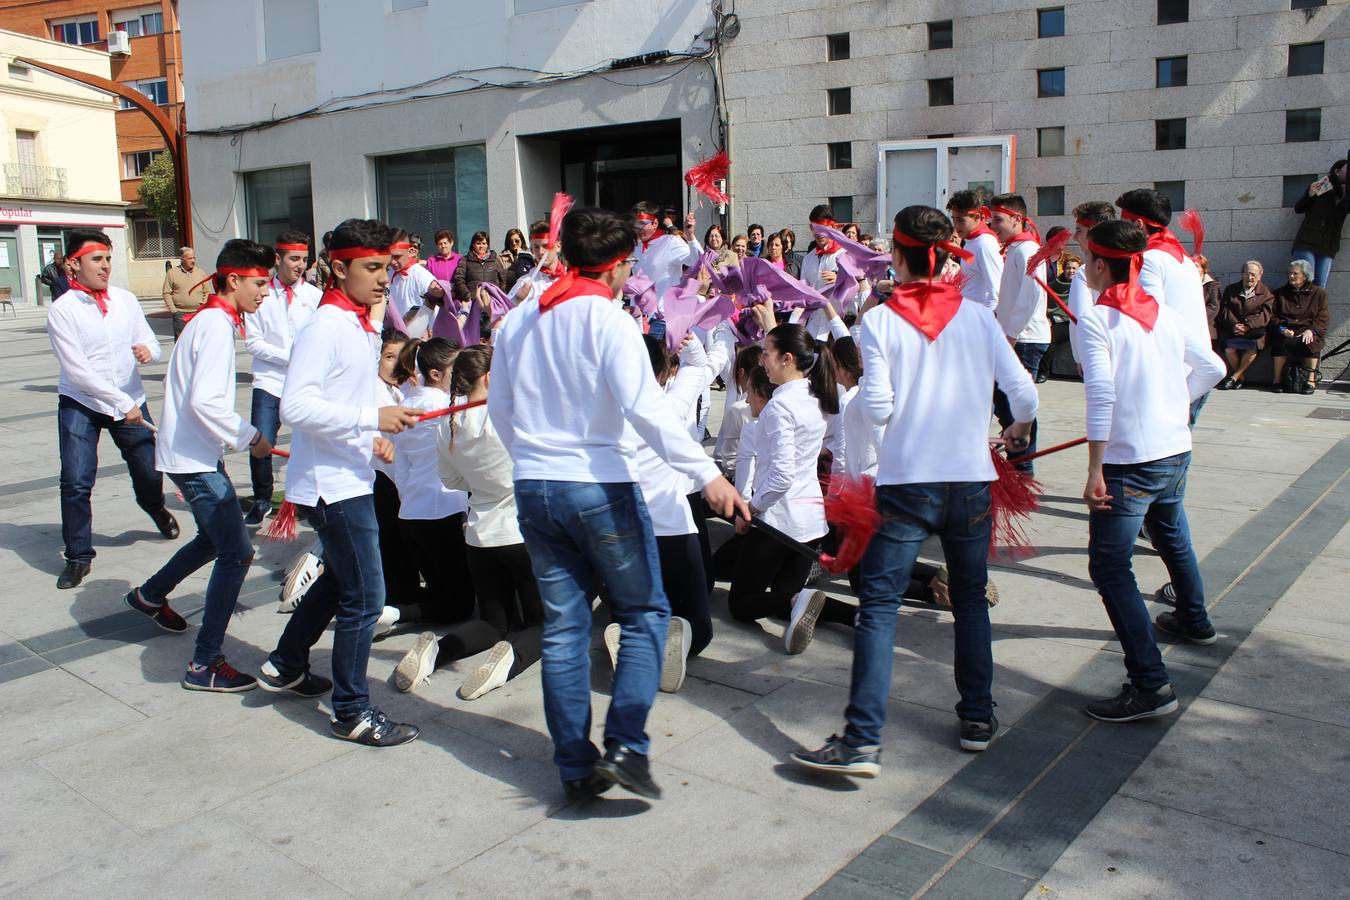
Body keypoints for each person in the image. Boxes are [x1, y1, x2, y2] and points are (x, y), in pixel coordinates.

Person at [488, 205, 748, 802]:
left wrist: (533, 460)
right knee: (644, 615)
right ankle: (626, 743)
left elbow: (500, 410)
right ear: (618, 266)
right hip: (598, 483)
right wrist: (707, 474)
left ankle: (575, 766)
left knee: (564, 628)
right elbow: (646, 407)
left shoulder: (520, 319)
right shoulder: (608, 321)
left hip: (535, 487)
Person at [791, 205, 1036, 779]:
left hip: (908, 484)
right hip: (972, 480)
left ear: (897, 257)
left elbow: (875, 408)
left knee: (878, 604)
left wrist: (909, 411)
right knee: (970, 599)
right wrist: (1013, 430)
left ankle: (863, 740)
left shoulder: (878, 322)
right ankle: (978, 717)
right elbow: (1023, 398)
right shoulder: (978, 316)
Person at [259, 218, 423, 747]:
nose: (383, 280)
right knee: (365, 598)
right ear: (339, 268)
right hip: (333, 487)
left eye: (387, 268)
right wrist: (372, 421)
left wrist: (368, 430)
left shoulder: (357, 323)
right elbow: (297, 406)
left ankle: (286, 662)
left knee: (337, 581)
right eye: (371, 269)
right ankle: (351, 710)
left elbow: (345, 397)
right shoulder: (326, 325)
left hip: (347, 471)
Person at [1077, 219, 1225, 722]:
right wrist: (1173, 404)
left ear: (1100, 264)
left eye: (1085, 258)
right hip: (1174, 452)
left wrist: (1094, 468)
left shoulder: (1098, 319)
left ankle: (1151, 685)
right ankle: (1194, 618)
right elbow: (1213, 369)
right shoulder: (1162, 313)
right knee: (1170, 533)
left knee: (1110, 567)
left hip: (1129, 464)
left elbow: (1101, 394)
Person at [127, 239, 279, 690]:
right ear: (233, 280)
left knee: (215, 542)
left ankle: (150, 595)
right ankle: (204, 664)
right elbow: (206, 401)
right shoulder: (214, 325)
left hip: (191, 453)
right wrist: (251, 437)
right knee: (237, 552)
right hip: (193, 459)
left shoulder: (213, 320)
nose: (264, 293)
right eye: (259, 283)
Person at [396, 346, 545, 698]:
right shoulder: (511, 418)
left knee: (491, 623)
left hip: (480, 537)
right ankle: (510, 656)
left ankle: (437, 650)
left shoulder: (449, 424)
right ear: (491, 377)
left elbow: (451, 481)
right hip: (522, 534)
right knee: (543, 625)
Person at [47, 229, 178, 590]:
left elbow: (151, 341)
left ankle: (155, 507)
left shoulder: (125, 299)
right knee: (76, 479)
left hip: (129, 398)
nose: (106, 266)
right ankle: (78, 556)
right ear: (74, 264)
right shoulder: (63, 310)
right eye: (97, 260)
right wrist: (121, 403)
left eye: (108, 259)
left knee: (149, 472)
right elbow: (77, 371)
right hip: (82, 402)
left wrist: (149, 352)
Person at [728, 317, 855, 654]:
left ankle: (808, 600)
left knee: (741, 604)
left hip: (778, 523)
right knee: (788, 602)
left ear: (787, 359)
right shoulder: (817, 396)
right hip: (810, 521)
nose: (761, 360)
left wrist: (750, 509)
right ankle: (859, 617)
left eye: (767, 354)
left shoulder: (780, 406)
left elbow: (781, 476)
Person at [389, 337, 473, 625]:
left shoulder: (406, 403)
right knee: (460, 606)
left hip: (412, 511)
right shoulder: (446, 405)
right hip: (443, 511)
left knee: (442, 590)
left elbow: (399, 467)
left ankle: (393, 611)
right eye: (456, 369)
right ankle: (394, 613)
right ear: (436, 373)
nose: (462, 376)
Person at [243, 231, 322, 527]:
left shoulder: (315, 297)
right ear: (278, 259)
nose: (300, 265)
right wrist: (292, 356)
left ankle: (307, 498)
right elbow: (253, 342)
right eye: (293, 259)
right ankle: (262, 499)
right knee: (261, 440)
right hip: (269, 380)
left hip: (305, 382)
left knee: (312, 441)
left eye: (304, 259)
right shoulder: (260, 294)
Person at [989, 194, 1049, 472]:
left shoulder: (1026, 250)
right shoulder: (1015, 249)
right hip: (1015, 338)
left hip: (1023, 340)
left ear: (1017, 219)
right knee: (1006, 406)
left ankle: (1022, 471)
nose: (994, 225)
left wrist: (1010, 336)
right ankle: (1019, 468)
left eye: (998, 220)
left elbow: (1032, 294)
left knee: (1018, 408)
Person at [1270, 259, 1330, 394]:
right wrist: (1282, 329)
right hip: (1286, 330)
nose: (1291, 276)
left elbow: (1323, 317)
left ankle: (1310, 381)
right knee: (1279, 343)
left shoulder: (1319, 293)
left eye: (1295, 274)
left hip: (1307, 331)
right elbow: (1273, 317)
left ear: (1305, 275)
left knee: (1312, 342)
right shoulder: (1280, 293)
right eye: (1290, 273)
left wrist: (1311, 330)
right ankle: (1277, 380)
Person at [1215, 261, 1274, 391]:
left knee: (1252, 349)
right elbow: (1224, 310)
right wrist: (1235, 324)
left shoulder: (1266, 292)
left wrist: (1248, 326)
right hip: (1234, 329)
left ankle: (1234, 377)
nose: (1250, 278)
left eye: (1253, 274)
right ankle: (1240, 377)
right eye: (1247, 274)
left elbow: (1266, 315)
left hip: (1253, 331)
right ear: (1242, 274)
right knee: (1229, 349)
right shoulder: (1231, 289)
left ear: (1260, 276)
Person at [1291, 158, 1348, 287]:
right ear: (1337, 171)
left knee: (1320, 285)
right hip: (1307, 241)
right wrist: (1310, 194)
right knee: (1305, 281)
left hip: (1329, 244)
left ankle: (1315, 308)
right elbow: (1299, 208)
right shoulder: (1324, 185)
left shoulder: (1347, 193)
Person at [946, 191, 1002, 312]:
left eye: (960, 220)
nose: (956, 225)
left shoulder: (984, 244)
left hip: (979, 318)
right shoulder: (971, 241)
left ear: (977, 217)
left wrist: (986, 324)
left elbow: (996, 293)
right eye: (954, 219)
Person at [632, 201, 699, 298]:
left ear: (655, 223)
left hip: (665, 309)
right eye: (635, 224)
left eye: (642, 223)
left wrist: (691, 237)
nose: (638, 228)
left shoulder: (671, 242)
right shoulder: (635, 247)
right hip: (640, 311)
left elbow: (696, 262)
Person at [388, 231, 446, 337]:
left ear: (411, 252)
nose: (392, 262)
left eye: (397, 257)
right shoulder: (388, 273)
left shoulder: (422, 276)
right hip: (396, 336)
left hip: (418, 338)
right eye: (390, 257)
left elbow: (435, 309)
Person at [162, 246, 211, 340]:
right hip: (180, 314)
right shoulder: (172, 273)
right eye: (189, 258)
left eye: (194, 258)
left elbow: (206, 291)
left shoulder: (200, 273)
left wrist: (203, 306)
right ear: (182, 259)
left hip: (198, 313)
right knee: (181, 341)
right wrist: (174, 310)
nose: (193, 261)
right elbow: (166, 293)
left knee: (198, 340)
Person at [453, 231, 510, 308]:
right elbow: (459, 279)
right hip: (473, 302)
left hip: (493, 302)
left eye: (484, 243)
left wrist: (499, 296)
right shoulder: (465, 260)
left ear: (487, 245)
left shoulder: (495, 260)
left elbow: (503, 280)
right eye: (478, 243)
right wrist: (468, 296)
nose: (481, 246)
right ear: (473, 244)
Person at [1195, 254, 1221, 347]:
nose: (1193, 269)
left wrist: (1196, 318)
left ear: (1203, 268)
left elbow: (1214, 307)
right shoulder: (1183, 283)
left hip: (1206, 324)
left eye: (1196, 266)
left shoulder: (1212, 284)